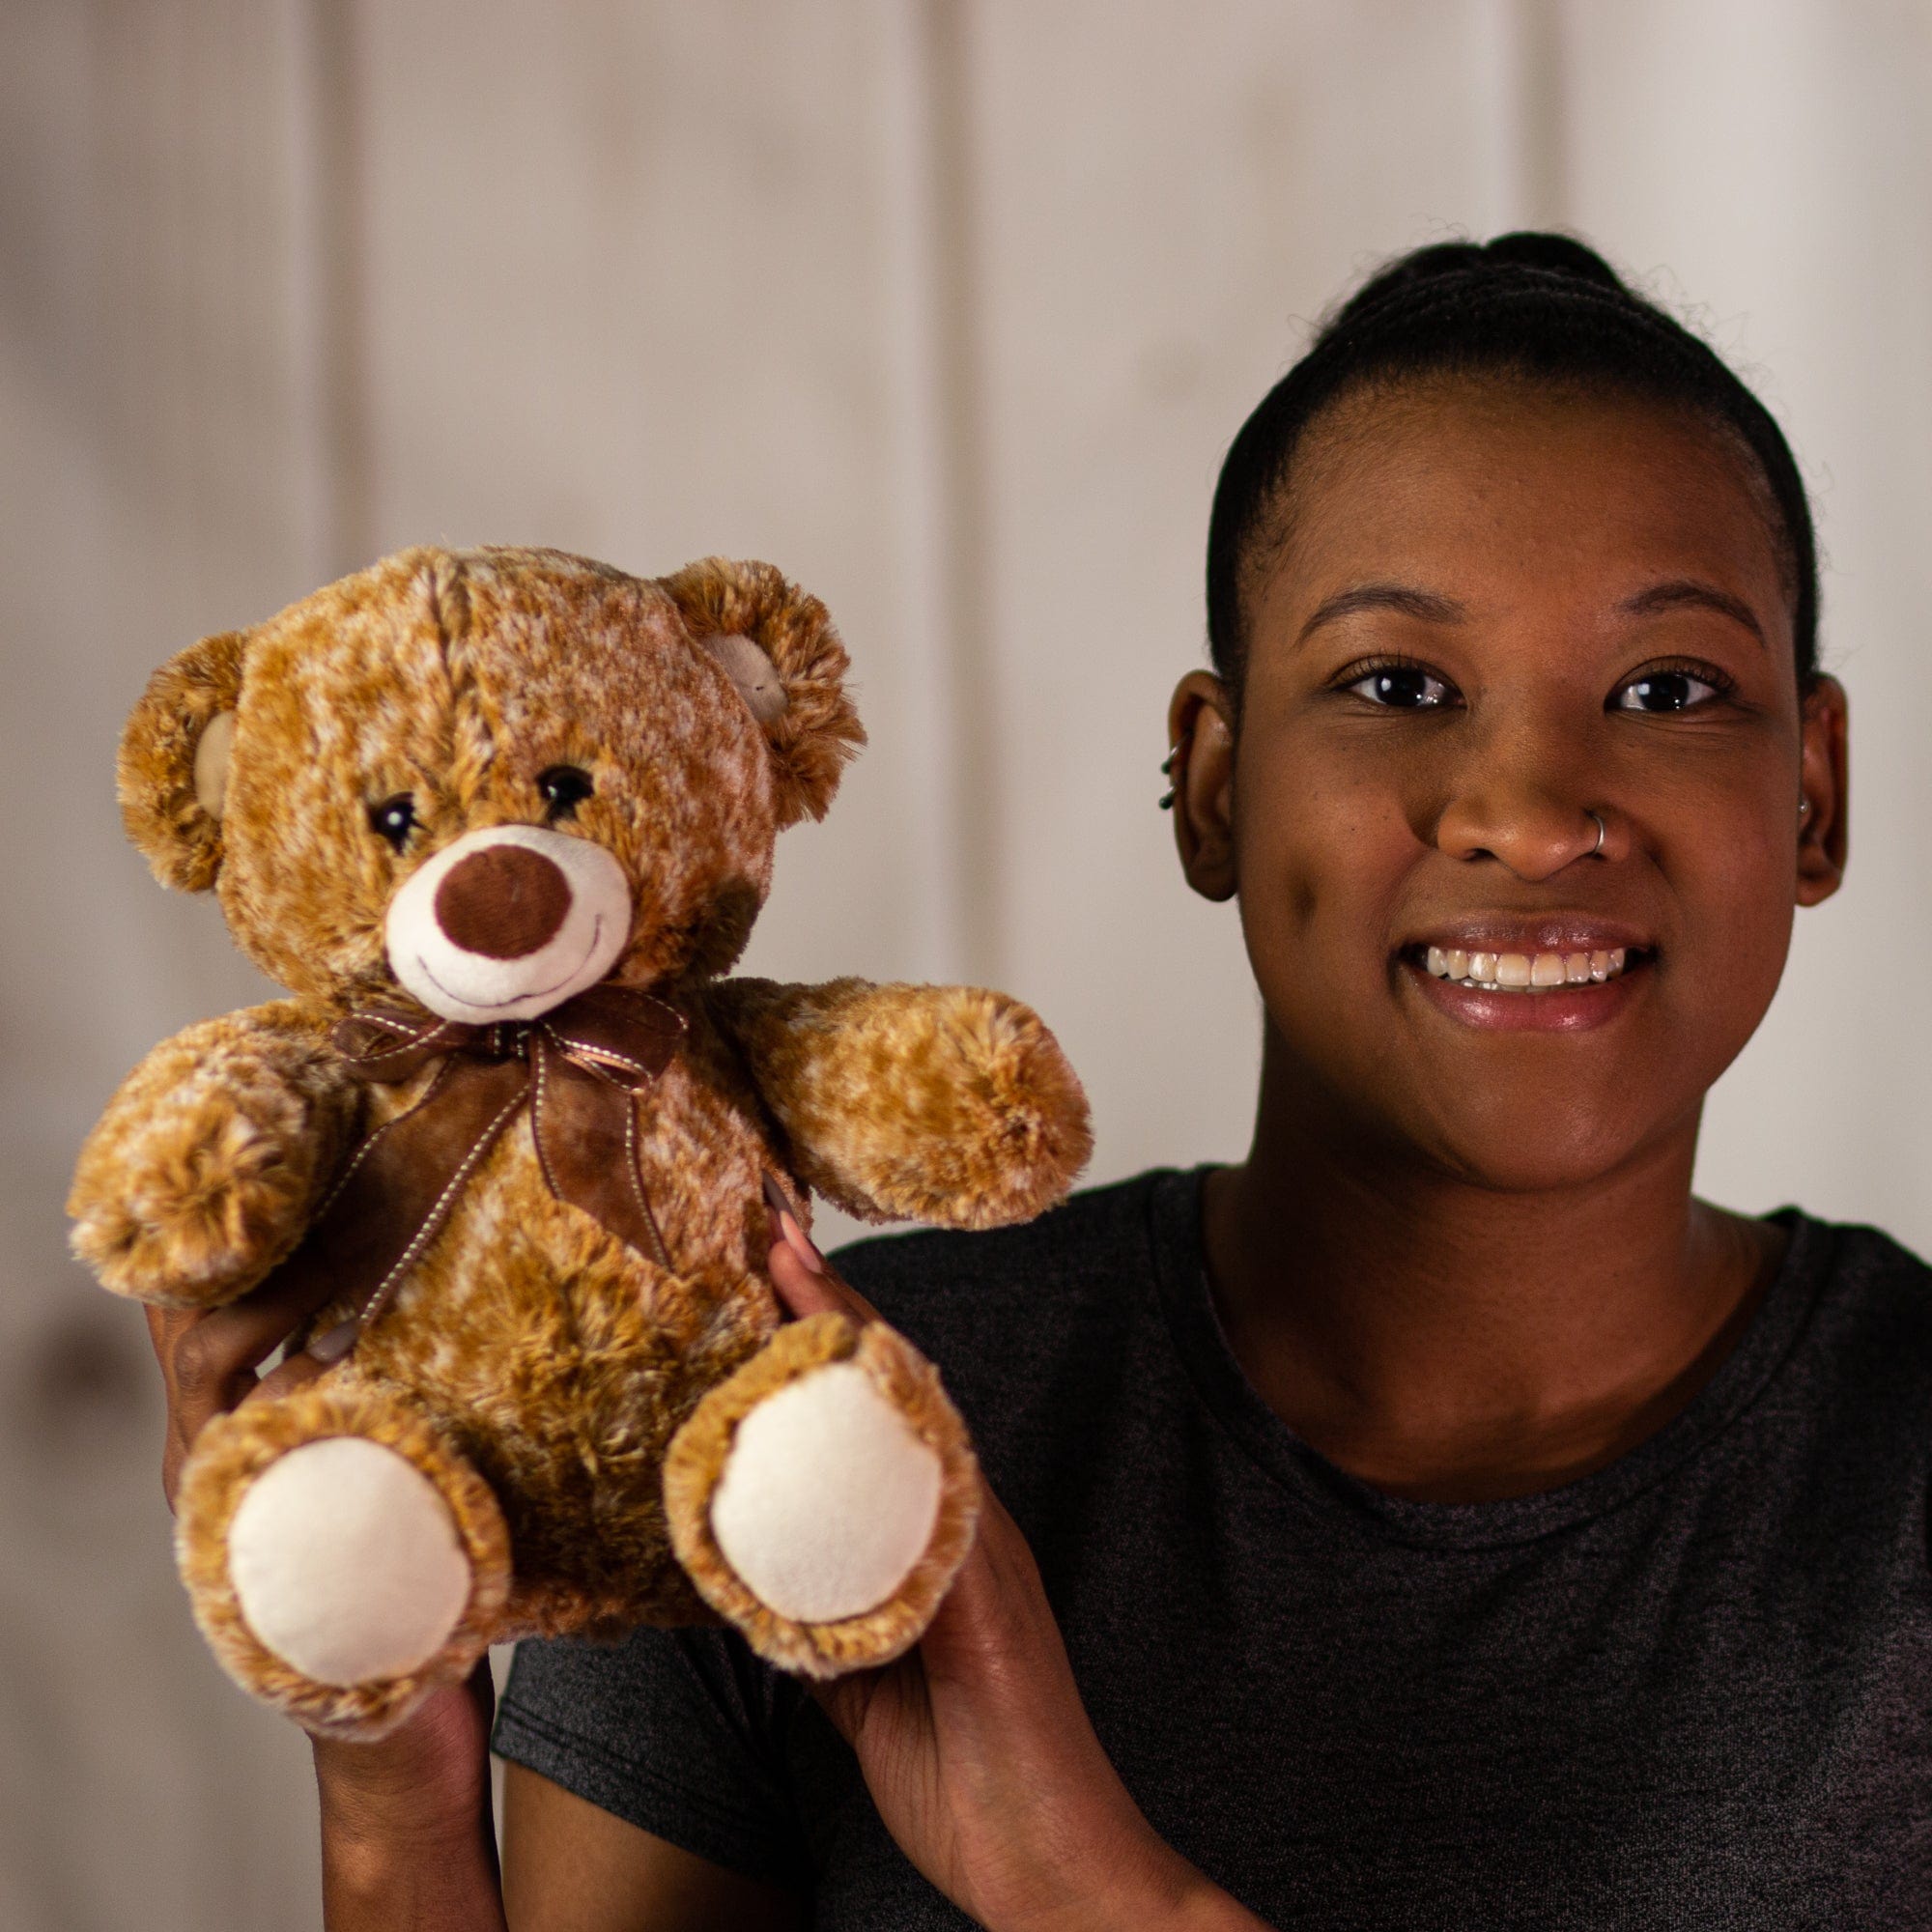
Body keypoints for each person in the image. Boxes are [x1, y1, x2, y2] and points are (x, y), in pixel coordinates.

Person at [150, 230, 1932, 1930]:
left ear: (1816, 792)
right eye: (1398, 681)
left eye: (1670, 685)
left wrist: (1089, 1893)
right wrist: (384, 1764)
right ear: (1216, 788)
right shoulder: (794, 1424)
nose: (1535, 812)